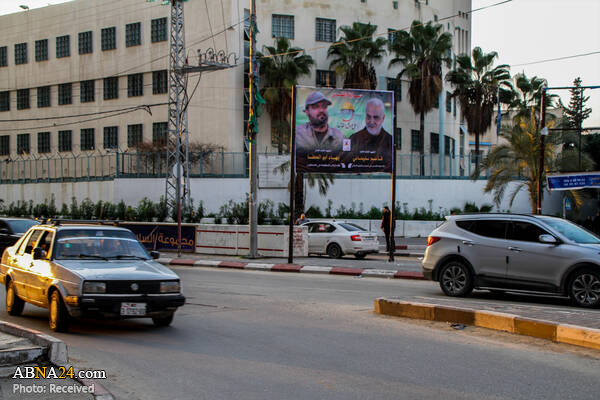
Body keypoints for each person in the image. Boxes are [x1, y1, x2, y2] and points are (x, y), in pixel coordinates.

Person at [347, 98, 393, 170]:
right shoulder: (354, 139)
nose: (371, 122)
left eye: (376, 117)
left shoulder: (390, 141)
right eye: (368, 117)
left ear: (383, 118)